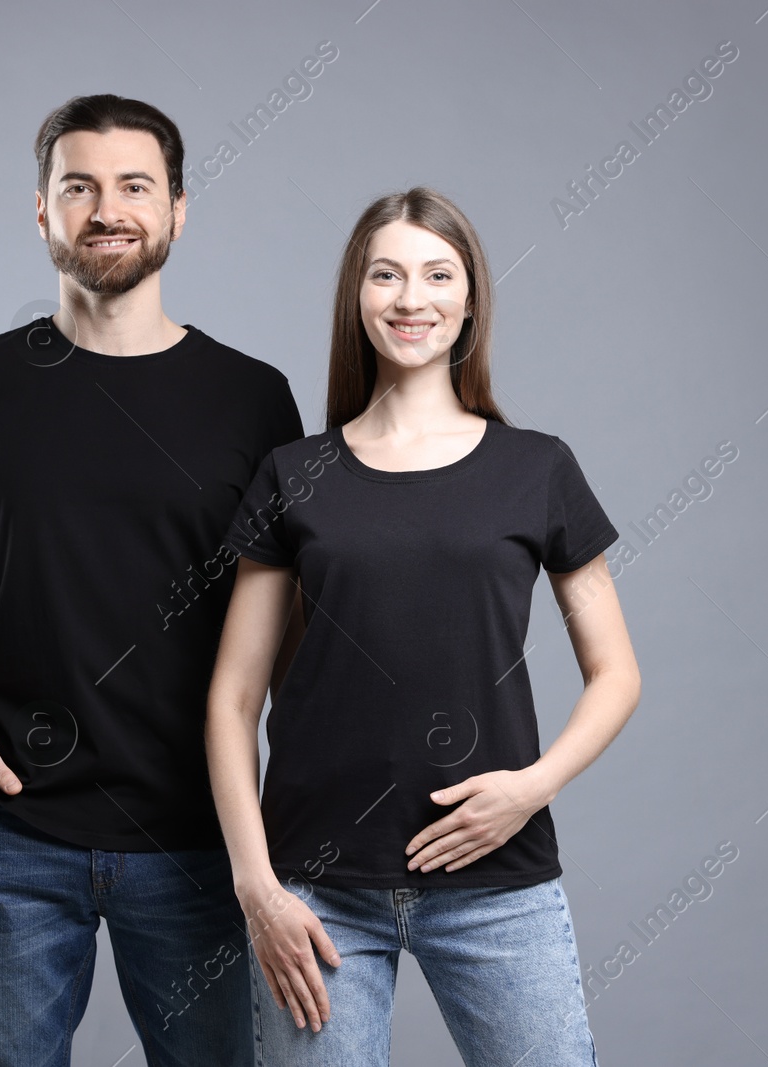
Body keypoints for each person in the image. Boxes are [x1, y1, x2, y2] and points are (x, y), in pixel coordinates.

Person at [0, 94, 305, 1067]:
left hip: (198, 841)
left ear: (178, 210)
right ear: (41, 211)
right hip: (14, 843)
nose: (107, 208)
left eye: (135, 185)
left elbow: (292, 626)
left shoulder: (254, 398)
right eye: (78, 185)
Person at [204, 186, 641, 1066]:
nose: (412, 299)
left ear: (471, 297)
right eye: (387, 275)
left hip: (495, 878)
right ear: (356, 297)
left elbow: (617, 673)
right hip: (316, 890)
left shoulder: (537, 467)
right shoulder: (297, 474)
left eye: (438, 274)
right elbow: (231, 696)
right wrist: (256, 886)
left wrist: (530, 787)